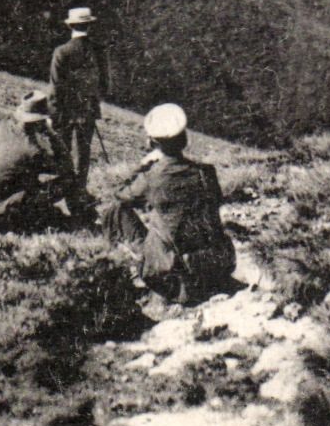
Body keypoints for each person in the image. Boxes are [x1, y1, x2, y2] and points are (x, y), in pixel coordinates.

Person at [101, 103, 236, 305]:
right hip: (214, 265)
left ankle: (122, 271)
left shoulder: (152, 177)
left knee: (115, 210)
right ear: (184, 139)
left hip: (175, 276)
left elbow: (120, 195)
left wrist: (141, 167)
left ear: (152, 142)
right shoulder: (206, 172)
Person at [0, 90, 95, 232]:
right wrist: (51, 133)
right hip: (1, 209)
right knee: (69, 180)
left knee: (33, 183)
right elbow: (66, 166)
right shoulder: (32, 150)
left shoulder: (3, 125)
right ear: (40, 122)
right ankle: (81, 219)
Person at [48, 6, 110, 189]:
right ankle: (80, 189)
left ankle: (64, 188)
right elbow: (105, 84)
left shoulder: (62, 52)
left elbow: (55, 87)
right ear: (89, 26)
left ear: (71, 26)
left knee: (63, 151)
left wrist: (53, 113)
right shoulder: (99, 51)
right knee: (84, 152)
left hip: (64, 111)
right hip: (88, 108)